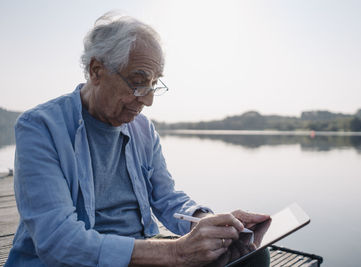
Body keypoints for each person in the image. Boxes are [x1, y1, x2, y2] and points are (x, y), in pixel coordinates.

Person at [5, 12, 270, 267]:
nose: (148, 100)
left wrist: (209, 222)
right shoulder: (40, 127)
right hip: (68, 262)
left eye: (154, 84)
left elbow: (167, 197)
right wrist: (177, 253)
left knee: (248, 256)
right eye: (138, 82)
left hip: (139, 251)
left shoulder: (142, 128)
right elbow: (59, 241)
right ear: (96, 70)